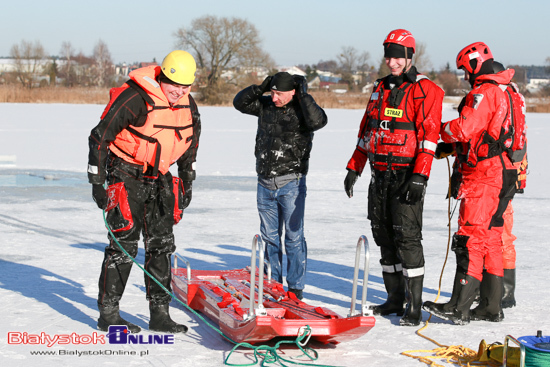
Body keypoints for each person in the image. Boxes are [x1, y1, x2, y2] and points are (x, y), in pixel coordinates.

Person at [87, 50, 201, 333]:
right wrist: (97, 181)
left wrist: (186, 180)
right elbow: (100, 137)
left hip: (160, 177)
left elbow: (190, 145)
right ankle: (109, 314)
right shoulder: (135, 97)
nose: (179, 92)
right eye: (175, 85)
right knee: (124, 245)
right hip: (126, 173)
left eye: (185, 87)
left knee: (161, 245)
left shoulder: (189, 105)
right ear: (162, 76)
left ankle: (159, 314)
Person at [344, 29, 444, 326]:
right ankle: (394, 299)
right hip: (380, 174)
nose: (392, 62)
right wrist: (354, 167)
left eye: (398, 57)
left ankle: (413, 307)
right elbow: (367, 132)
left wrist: (420, 176)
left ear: (410, 57)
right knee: (384, 236)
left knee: (407, 238)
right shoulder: (379, 88)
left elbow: (429, 137)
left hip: (406, 175)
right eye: (388, 56)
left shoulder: (426, 90)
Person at [423, 43, 518, 325]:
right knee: (490, 240)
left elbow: (464, 128)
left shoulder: (483, 92)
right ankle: (490, 307)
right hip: (505, 173)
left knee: (471, 238)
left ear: (476, 64)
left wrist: (440, 129)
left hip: (484, 176)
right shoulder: (508, 91)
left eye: (465, 69)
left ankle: (459, 306)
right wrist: (454, 149)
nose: (464, 76)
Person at [233, 72, 328, 300]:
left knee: (294, 238)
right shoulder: (266, 106)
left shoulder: (303, 111)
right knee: (269, 238)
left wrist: (304, 96)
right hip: (264, 183)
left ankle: (295, 288)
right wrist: (261, 87)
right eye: (272, 92)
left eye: (279, 93)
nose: (274, 97)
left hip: (291, 184)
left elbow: (318, 121)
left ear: (293, 92)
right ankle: (272, 285)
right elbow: (240, 103)